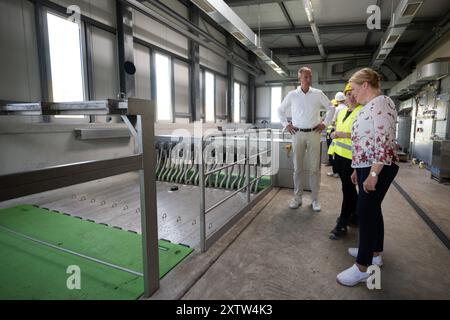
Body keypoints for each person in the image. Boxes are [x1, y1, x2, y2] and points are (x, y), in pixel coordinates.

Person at [336, 68, 399, 287]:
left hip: (379, 167)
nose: (351, 94)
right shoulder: (367, 107)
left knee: (365, 211)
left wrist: (373, 173)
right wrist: (357, 168)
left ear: (365, 85)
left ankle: (363, 267)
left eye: (353, 89)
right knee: (372, 210)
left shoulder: (381, 103)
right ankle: (375, 253)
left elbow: (382, 141)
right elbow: (363, 140)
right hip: (367, 165)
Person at [278, 67, 335, 212]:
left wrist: (325, 123)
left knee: (314, 169)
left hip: (314, 134)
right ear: (299, 78)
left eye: (309, 77)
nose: (308, 79)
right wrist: (286, 125)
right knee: (297, 168)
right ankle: (297, 198)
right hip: (297, 134)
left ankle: (315, 199)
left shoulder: (318, 93)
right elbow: (280, 110)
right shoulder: (292, 95)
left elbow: (331, 107)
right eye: (305, 77)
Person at [328, 84, 363, 240]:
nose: (351, 96)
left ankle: (342, 222)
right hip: (340, 156)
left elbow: (362, 135)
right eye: (348, 93)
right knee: (346, 188)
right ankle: (355, 215)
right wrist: (332, 133)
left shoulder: (362, 112)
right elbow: (334, 128)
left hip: (353, 159)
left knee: (348, 190)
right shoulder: (342, 112)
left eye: (353, 93)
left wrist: (341, 133)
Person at [327, 92, 347, 178]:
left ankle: (336, 172)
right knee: (342, 154)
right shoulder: (347, 108)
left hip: (336, 133)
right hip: (345, 135)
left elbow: (333, 121)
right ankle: (341, 172)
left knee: (334, 153)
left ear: (337, 100)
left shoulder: (337, 109)